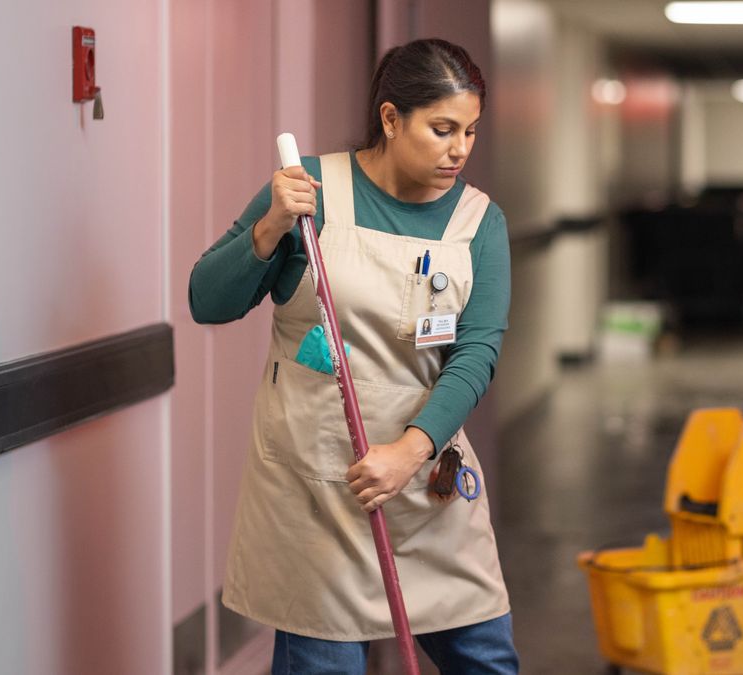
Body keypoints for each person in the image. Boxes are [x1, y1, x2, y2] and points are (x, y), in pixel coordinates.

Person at [188, 38, 515, 675]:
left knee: (486, 659)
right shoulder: (309, 193)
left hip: (428, 484)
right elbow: (208, 301)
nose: (460, 149)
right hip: (319, 489)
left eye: (471, 131)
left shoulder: (479, 221)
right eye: (442, 129)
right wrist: (271, 226)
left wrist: (409, 451)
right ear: (391, 119)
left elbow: (476, 352)